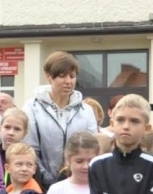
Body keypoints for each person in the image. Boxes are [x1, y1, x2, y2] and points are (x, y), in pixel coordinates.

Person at [24, 51, 98, 184]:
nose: (68, 81)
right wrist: (47, 180)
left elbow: (92, 148)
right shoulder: (32, 108)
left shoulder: (86, 111)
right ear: (48, 76)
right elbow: (30, 149)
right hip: (40, 183)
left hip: (77, 182)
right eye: (62, 76)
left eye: (72, 76)